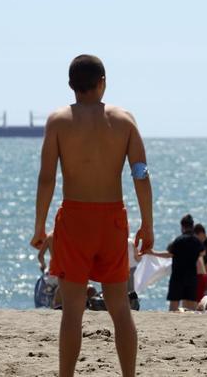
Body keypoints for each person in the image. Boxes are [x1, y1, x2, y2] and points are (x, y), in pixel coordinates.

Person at [30, 54, 154, 377]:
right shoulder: (125, 121)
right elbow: (140, 174)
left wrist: (39, 225)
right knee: (120, 308)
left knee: (72, 311)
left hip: (74, 218)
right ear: (103, 83)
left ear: (71, 86)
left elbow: (47, 177)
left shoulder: (58, 121)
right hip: (112, 219)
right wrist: (147, 223)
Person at [147, 214, 205, 311]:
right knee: (191, 304)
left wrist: (153, 253)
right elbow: (203, 252)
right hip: (191, 276)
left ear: (182, 227)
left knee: (174, 305)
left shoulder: (179, 240)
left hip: (178, 276)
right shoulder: (196, 241)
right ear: (192, 226)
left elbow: (169, 254)